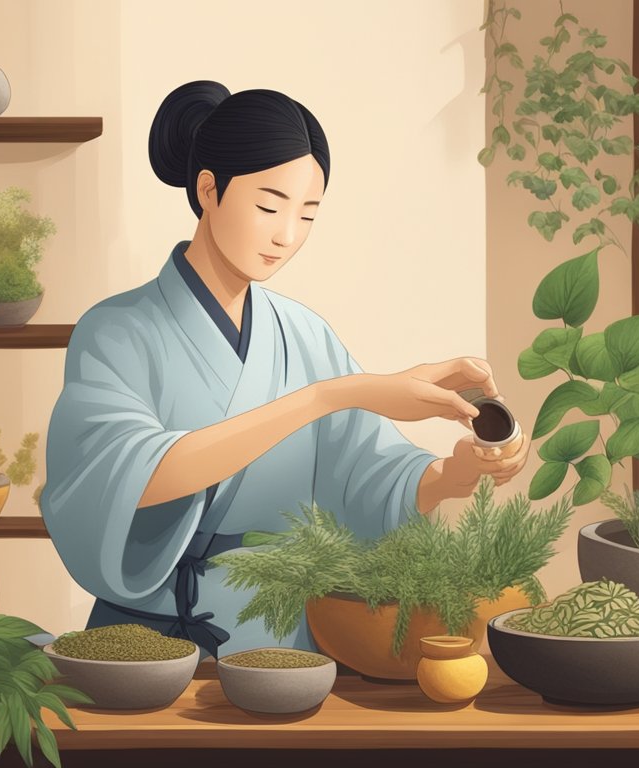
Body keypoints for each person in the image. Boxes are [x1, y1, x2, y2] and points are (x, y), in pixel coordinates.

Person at [40, 80, 530, 658]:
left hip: (276, 635)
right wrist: (332, 396)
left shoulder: (302, 334)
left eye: (307, 215)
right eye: (269, 206)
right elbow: (128, 477)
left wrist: (456, 472)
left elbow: (363, 475)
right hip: (142, 636)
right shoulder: (116, 330)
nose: (285, 235)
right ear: (208, 190)